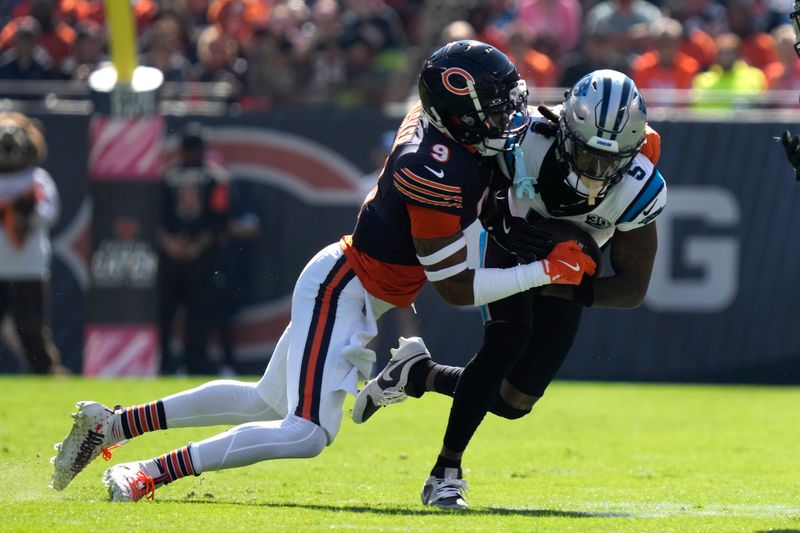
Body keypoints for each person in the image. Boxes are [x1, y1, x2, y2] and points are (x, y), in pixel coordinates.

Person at [50, 41, 597, 501]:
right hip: (346, 286)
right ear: (459, 115)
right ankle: (146, 472)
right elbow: (455, 289)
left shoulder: (446, 135)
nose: (510, 120)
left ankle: (113, 425)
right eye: (496, 110)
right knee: (308, 432)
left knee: (264, 400)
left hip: (359, 286)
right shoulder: (435, 171)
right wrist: (544, 271)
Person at [353, 70, 668, 510]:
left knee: (515, 402)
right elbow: (469, 184)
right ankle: (446, 473)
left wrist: (570, 288)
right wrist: (500, 220)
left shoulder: (639, 186)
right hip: (512, 240)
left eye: (610, 160)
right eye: (587, 154)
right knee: (508, 339)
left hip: (572, 269)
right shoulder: (525, 137)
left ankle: (417, 373)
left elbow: (633, 289)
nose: (597, 170)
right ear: (565, 131)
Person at [156, 122, 230, 375]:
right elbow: (221, 220)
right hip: (199, 257)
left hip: (180, 256)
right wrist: (195, 246)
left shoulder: (166, 176)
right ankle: (190, 364)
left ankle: (169, 365)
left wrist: (170, 244)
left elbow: (153, 216)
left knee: (174, 315)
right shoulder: (216, 178)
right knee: (194, 317)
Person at [0, 112, 64, 374]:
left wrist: (26, 213)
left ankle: (44, 371)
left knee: (32, 326)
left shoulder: (36, 178)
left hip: (29, 267)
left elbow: (49, 213)